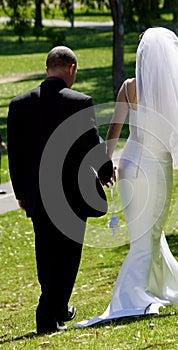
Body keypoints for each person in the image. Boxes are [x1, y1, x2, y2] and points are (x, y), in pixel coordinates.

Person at [75, 27, 178, 328]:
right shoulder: (171, 91)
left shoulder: (129, 87)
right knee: (148, 233)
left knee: (148, 232)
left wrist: (107, 163)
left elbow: (113, 131)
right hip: (157, 166)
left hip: (132, 162)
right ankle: (131, 297)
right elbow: (175, 136)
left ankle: (155, 288)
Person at [7, 46, 113, 334]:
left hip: (37, 194)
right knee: (68, 254)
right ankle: (49, 311)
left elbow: (14, 154)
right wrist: (105, 171)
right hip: (72, 193)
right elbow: (91, 141)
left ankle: (56, 309)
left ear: (47, 69)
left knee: (46, 251)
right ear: (72, 69)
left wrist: (20, 193)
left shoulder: (19, 104)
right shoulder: (79, 102)